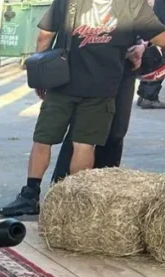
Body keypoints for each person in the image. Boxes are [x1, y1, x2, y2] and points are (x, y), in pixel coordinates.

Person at [0, 0, 165, 217]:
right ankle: (73, 202)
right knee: (84, 145)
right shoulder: (132, 4)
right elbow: (162, 38)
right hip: (103, 88)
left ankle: (30, 195)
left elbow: (45, 35)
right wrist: (142, 47)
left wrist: (41, 75)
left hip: (62, 81)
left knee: (43, 140)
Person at [51, 40, 146, 182]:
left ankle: (103, 186)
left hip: (124, 69)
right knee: (82, 131)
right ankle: (63, 185)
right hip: (92, 68)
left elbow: (154, 33)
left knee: (116, 131)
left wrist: (143, 46)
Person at [138, 0, 165, 107]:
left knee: (152, 61)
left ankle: (144, 94)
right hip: (161, 31)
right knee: (161, 65)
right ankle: (149, 97)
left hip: (155, 28)